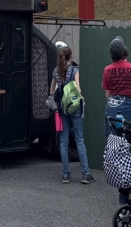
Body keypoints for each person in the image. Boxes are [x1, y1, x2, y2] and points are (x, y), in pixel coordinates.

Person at [49, 43, 93, 184]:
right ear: (71, 57)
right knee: (79, 139)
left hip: (62, 109)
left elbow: (51, 91)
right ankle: (86, 174)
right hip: (75, 108)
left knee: (63, 141)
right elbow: (78, 89)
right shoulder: (74, 70)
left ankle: (66, 174)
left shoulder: (56, 71)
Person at [101, 36, 131, 134]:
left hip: (112, 112)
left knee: (113, 142)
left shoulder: (107, 70)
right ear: (125, 51)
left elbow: (107, 96)